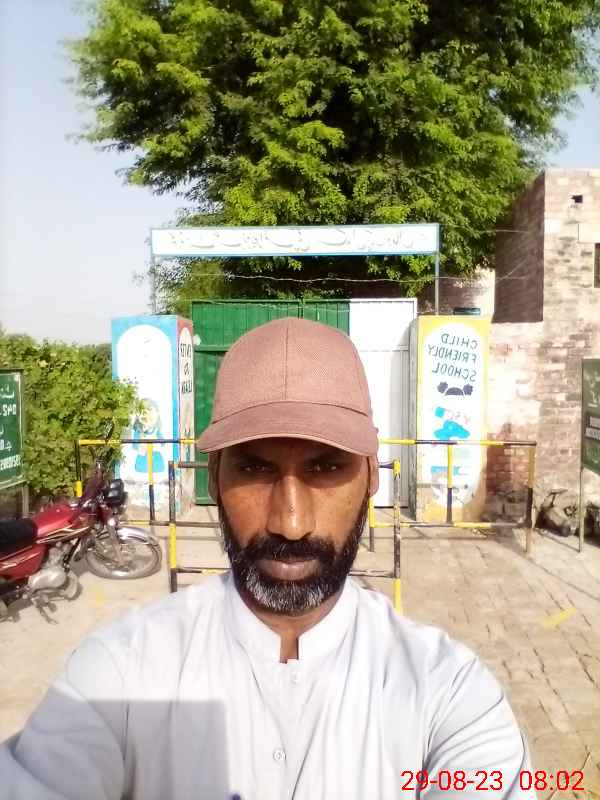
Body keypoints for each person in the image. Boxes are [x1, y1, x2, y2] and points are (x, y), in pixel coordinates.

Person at [0, 317, 535, 800]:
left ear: (372, 476)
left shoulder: (449, 694)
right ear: (214, 478)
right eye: (255, 470)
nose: (290, 523)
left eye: (326, 468)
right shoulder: (120, 672)